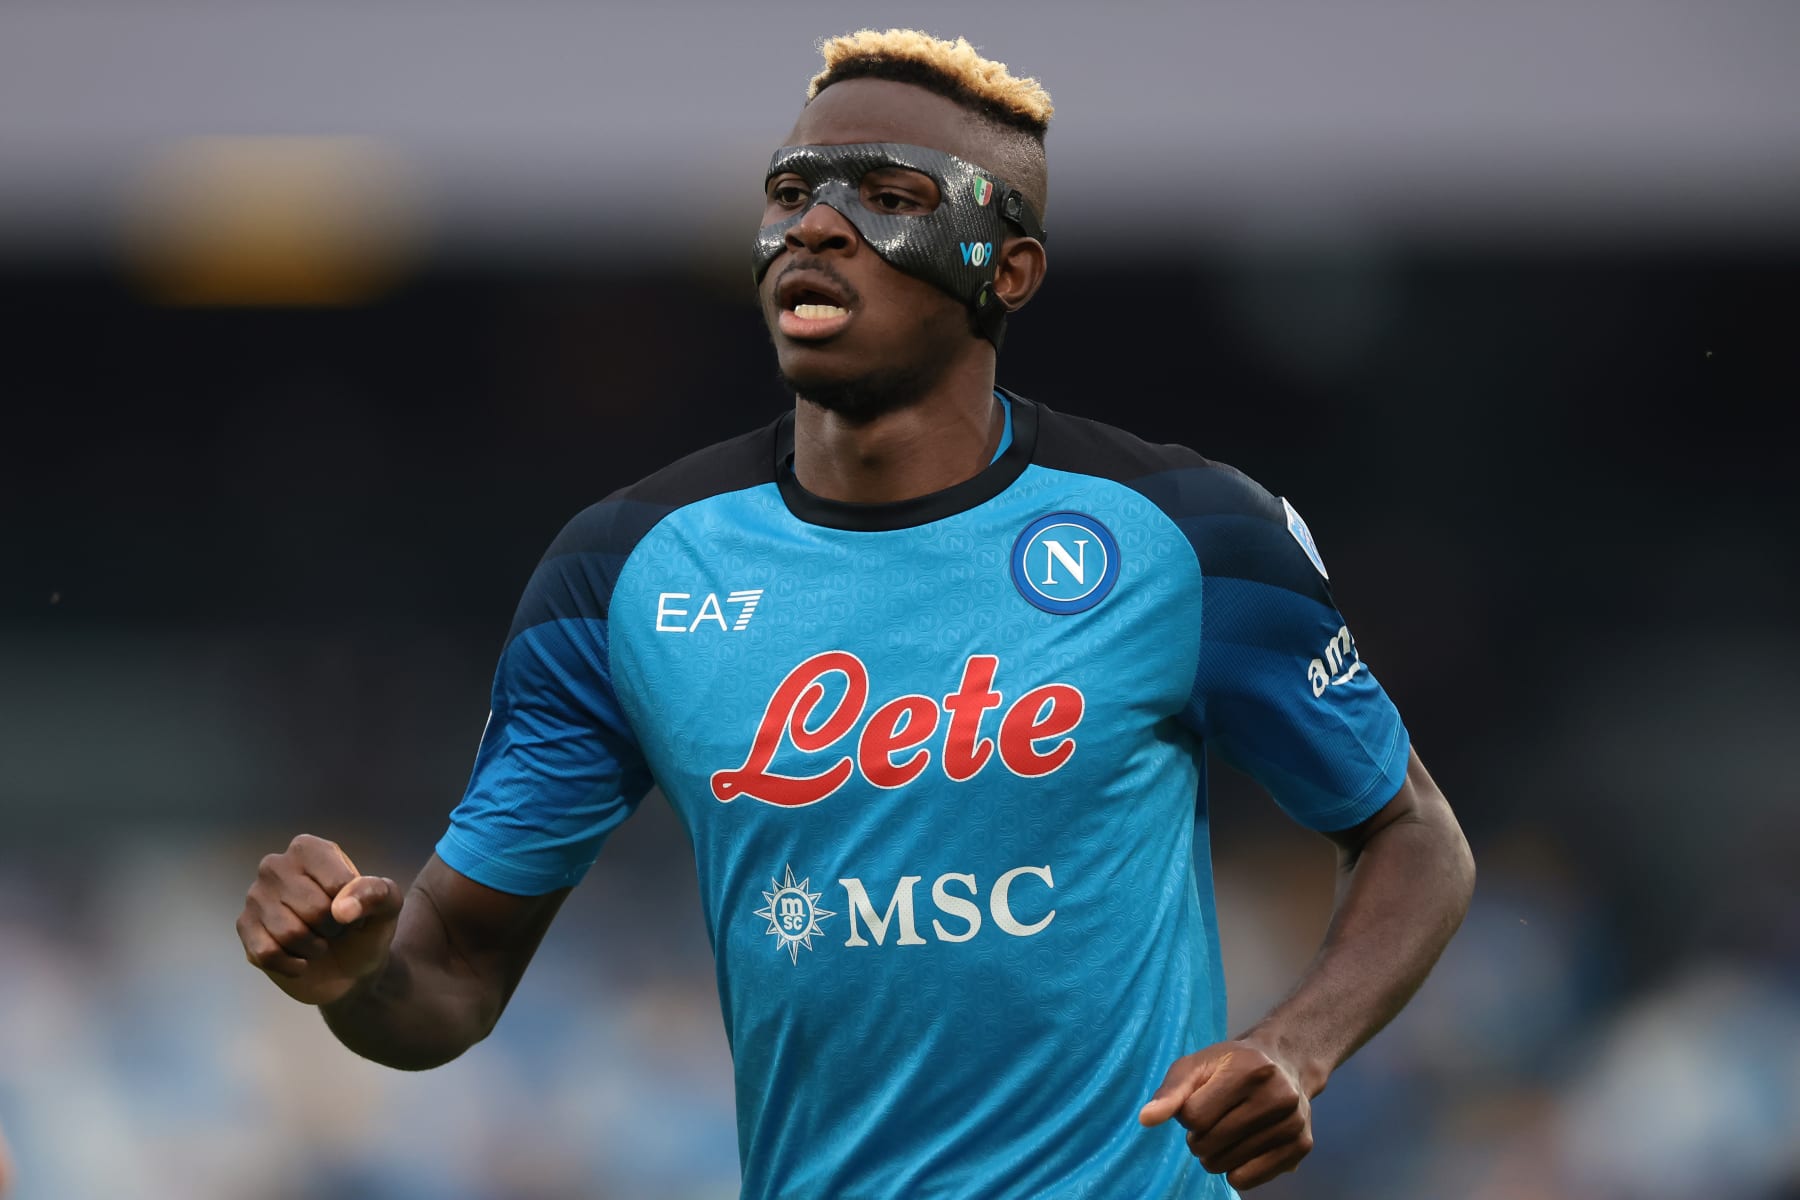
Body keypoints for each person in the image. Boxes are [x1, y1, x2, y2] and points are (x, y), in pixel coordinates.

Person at [236, 28, 1475, 1198]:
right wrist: (351, 980)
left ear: (1011, 269)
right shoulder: (622, 572)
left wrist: (1296, 1047)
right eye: (789, 194)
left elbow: (1414, 837)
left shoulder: (1192, 536)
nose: (812, 228)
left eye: (887, 196)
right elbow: (448, 970)